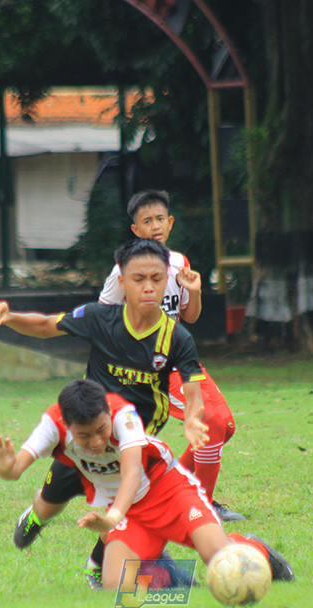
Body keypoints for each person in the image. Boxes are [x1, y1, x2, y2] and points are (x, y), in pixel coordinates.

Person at [0, 238, 209, 585]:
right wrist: (9, 317)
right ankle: (36, 518)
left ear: (168, 281)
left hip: (134, 435)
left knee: (127, 503)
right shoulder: (100, 318)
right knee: (51, 499)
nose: (149, 287)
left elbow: (193, 393)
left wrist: (192, 419)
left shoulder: (177, 338)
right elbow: (44, 326)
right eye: (138, 279)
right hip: (87, 430)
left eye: (157, 279)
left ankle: (99, 567)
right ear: (121, 282)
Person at [0, 378, 294, 590]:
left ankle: (256, 548)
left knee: (217, 556)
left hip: (168, 492)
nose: (96, 442)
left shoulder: (124, 414)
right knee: (116, 587)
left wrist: (111, 518)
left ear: (108, 414)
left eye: (101, 430)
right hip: (128, 514)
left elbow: (133, 473)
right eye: (84, 436)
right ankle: (179, 582)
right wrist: (5, 469)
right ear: (67, 427)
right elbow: (15, 470)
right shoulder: (51, 425)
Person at [98, 190, 244, 522]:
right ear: (135, 229)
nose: (155, 226)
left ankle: (175, 489)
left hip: (180, 361)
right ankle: (201, 508)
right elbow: (103, 319)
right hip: (148, 370)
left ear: (170, 222)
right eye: (146, 221)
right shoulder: (125, 270)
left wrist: (195, 291)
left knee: (226, 426)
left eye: (160, 219)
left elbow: (189, 317)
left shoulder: (179, 262)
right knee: (213, 423)